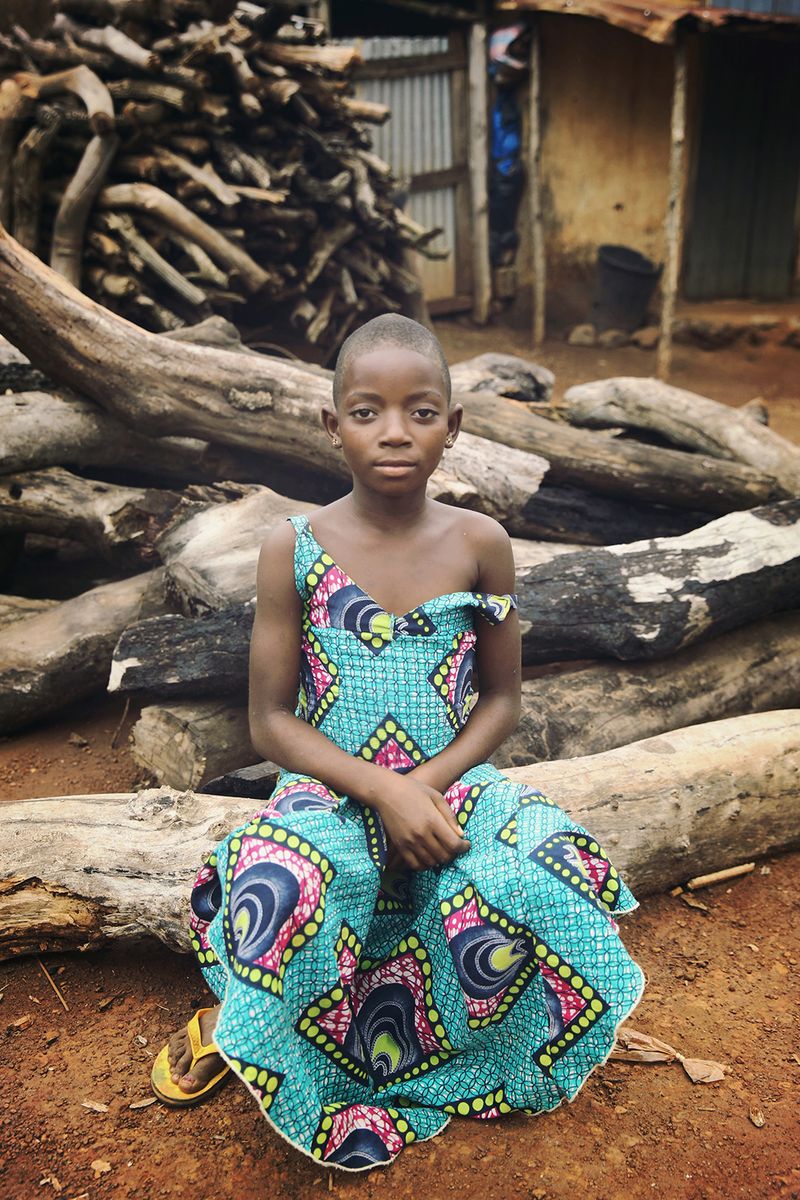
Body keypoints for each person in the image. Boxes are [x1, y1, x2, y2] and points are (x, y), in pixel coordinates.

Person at [150, 314, 647, 1171]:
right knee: (280, 881)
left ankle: (467, 1049)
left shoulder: (480, 543)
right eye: (366, 411)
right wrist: (383, 790)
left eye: (420, 412)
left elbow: (502, 701)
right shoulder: (291, 547)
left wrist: (423, 787)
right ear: (331, 424)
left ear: (453, 427)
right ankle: (244, 1023)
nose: (393, 431)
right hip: (329, 787)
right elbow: (270, 722)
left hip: (454, 785)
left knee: (544, 866)